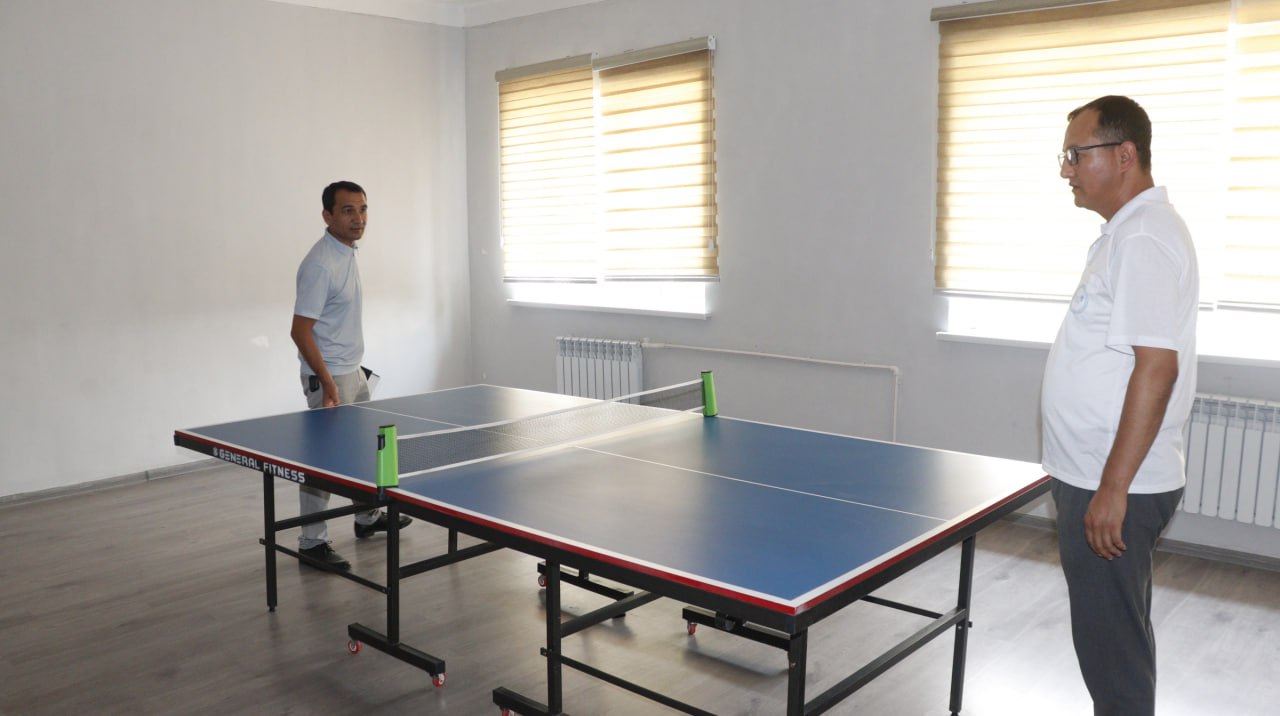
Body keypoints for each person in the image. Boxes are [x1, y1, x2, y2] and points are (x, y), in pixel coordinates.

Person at [1041, 96, 1198, 715]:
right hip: (1100, 477)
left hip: (1109, 483)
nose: (1067, 169)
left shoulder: (1144, 237)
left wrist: (1112, 488)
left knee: (1111, 653)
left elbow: (1156, 368)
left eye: (1076, 154)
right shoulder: (1128, 234)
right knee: (1117, 637)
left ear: (1124, 155)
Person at [290, 180, 411, 570]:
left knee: (364, 449)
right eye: (347, 210)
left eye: (362, 209)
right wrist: (327, 383)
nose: (358, 218)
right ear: (327, 216)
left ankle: (366, 517)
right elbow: (300, 330)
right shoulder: (321, 264)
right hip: (331, 377)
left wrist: (353, 370)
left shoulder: (346, 251)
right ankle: (311, 542)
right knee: (323, 462)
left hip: (352, 369)